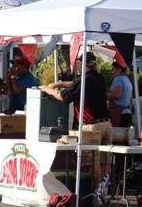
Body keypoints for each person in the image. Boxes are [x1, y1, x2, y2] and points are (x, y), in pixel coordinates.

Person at [39, 52, 112, 192]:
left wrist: (48, 89)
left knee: (92, 161)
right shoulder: (99, 78)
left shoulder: (84, 80)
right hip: (106, 124)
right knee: (105, 161)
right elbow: (75, 84)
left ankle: (96, 192)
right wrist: (59, 83)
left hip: (91, 126)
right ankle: (105, 191)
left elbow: (62, 96)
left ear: (80, 64)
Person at [107, 61, 134, 128]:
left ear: (119, 69)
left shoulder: (118, 79)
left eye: (113, 69)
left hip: (119, 114)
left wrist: (105, 93)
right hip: (128, 113)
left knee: (117, 137)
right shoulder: (127, 80)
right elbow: (131, 100)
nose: (111, 72)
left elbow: (117, 95)